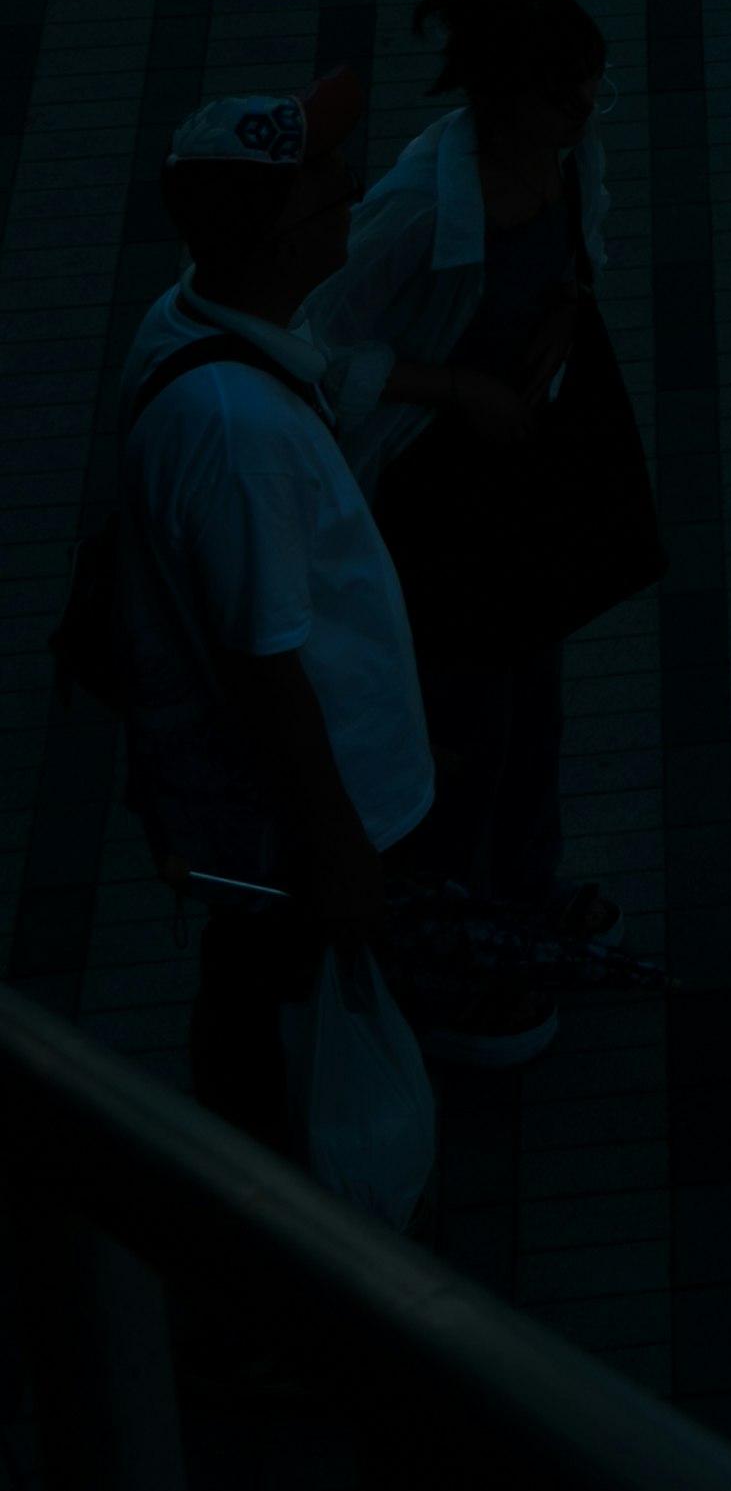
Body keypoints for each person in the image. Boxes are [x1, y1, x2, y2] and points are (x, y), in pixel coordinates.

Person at [317, 0, 656, 1055]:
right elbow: (321, 343)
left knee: (534, 699)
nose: (587, 115)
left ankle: (521, 893)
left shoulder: (562, 158)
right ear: (500, 100)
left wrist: (570, 297)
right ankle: (452, 952)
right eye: (567, 97)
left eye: (592, 91)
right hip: (442, 492)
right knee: (465, 724)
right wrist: (457, 386)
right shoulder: (421, 207)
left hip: (528, 460)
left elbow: (579, 243)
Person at [112, 71, 437, 1152]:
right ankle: (267, 1199)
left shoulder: (194, 318)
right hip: (298, 815)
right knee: (274, 1001)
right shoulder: (234, 429)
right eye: (324, 184)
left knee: (268, 984)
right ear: (275, 240)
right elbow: (265, 660)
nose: (351, 188)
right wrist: (338, 849)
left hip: (297, 803)